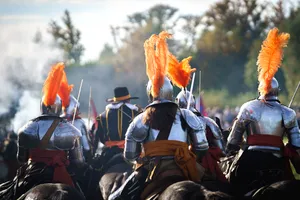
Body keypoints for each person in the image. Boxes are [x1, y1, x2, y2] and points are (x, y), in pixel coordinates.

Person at [109, 31, 208, 200]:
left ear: (150, 94)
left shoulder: (141, 119)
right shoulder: (187, 115)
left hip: (153, 169)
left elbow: (129, 155)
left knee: (114, 198)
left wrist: (141, 162)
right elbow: (202, 147)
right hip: (184, 166)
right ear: (171, 92)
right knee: (220, 185)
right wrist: (186, 157)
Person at [226, 28, 300, 196]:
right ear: (278, 91)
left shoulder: (248, 107)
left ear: (260, 89)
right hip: (278, 162)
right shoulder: (287, 113)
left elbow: (233, 140)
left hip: (250, 160)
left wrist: (231, 148)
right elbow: (297, 144)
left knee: (232, 189)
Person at [0, 63, 85, 199]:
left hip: (34, 173)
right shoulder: (72, 130)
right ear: (58, 107)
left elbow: (21, 159)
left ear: (42, 107)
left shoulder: (27, 128)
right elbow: (79, 162)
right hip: (62, 173)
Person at [175, 90, 227, 182]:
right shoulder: (209, 122)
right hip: (208, 166)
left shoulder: (175, 124)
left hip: (183, 164)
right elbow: (222, 150)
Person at [92, 86, 141, 151]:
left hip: (109, 151)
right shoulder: (137, 113)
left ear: (115, 100)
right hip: (132, 150)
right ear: (128, 100)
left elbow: (99, 137)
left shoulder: (102, 116)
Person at [58, 73, 93, 163]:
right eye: (77, 109)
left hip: (59, 158)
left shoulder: (57, 121)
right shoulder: (79, 122)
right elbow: (86, 146)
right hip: (76, 159)